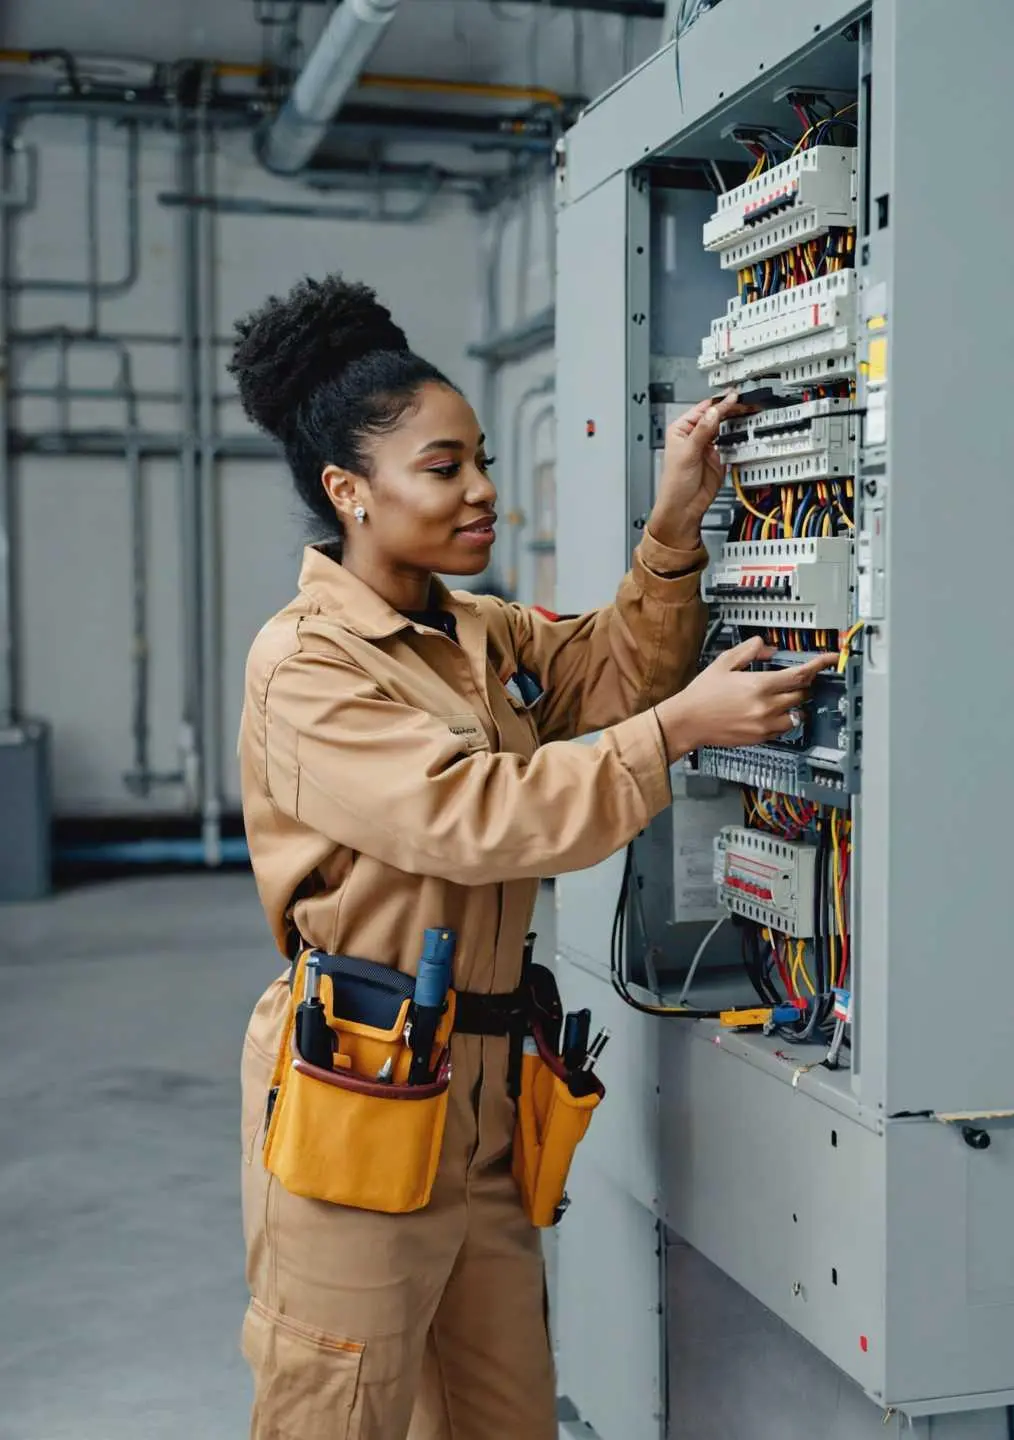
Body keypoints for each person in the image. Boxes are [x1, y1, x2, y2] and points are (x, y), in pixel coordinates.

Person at [231, 274, 833, 1440]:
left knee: (501, 1413)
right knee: (338, 1407)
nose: (484, 491)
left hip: (486, 1100)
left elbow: (614, 672)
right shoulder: (307, 663)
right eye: (444, 467)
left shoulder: (476, 631)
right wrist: (679, 733)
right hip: (363, 1089)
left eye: (483, 460)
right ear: (349, 491)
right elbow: (472, 815)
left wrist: (674, 528)